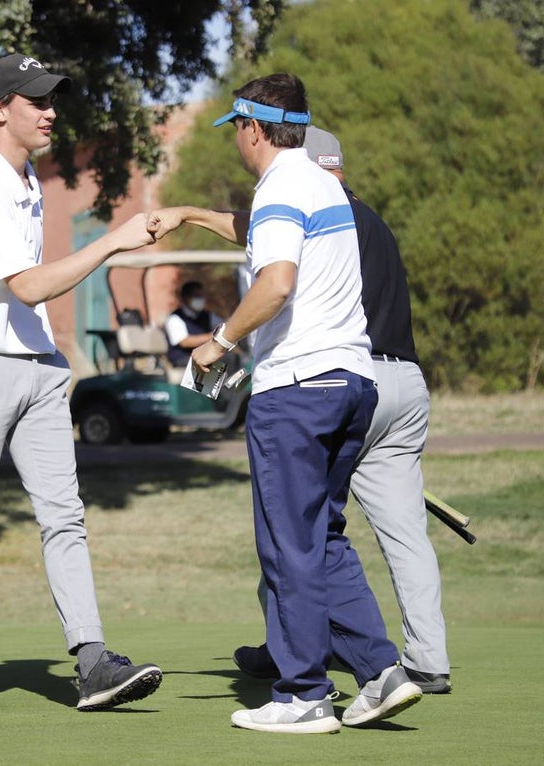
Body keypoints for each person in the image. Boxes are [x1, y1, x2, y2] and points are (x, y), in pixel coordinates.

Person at [147, 73, 421, 734]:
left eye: (237, 132)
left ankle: (303, 694)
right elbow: (258, 236)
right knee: (322, 538)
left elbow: (275, 282)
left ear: (251, 127)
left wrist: (219, 342)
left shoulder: (277, 188)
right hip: (352, 386)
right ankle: (381, 673)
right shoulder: (323, 185)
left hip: (295, 393)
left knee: (288, 547)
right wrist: (186, 214)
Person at [0, 53, 162, 714]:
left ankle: (92, 664)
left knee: (66, 518)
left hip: (39, 372)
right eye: (36, 100)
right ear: (0, 109)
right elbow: (26, 287)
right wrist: (113, 242)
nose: (51, 111)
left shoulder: (26, 183)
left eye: (53, 100)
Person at [233, 127, 451, 694]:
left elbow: (266, 255)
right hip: (407, 384)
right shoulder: (374, 220)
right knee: (405, 536)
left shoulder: (312, 211)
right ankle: (427, 659)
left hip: (340, 379)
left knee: (294, 524)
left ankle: (291, 650)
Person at [163, 281, 223, 368]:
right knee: (223, 360)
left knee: (231, 357)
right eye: (197, 296)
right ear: (186, 298)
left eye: (202, 296)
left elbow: (223, 325)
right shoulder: (175, 318)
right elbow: (185, 342)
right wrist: (213, 336)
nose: (201, 299)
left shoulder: (206, 315)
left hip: (204, 354)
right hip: (182, 359)